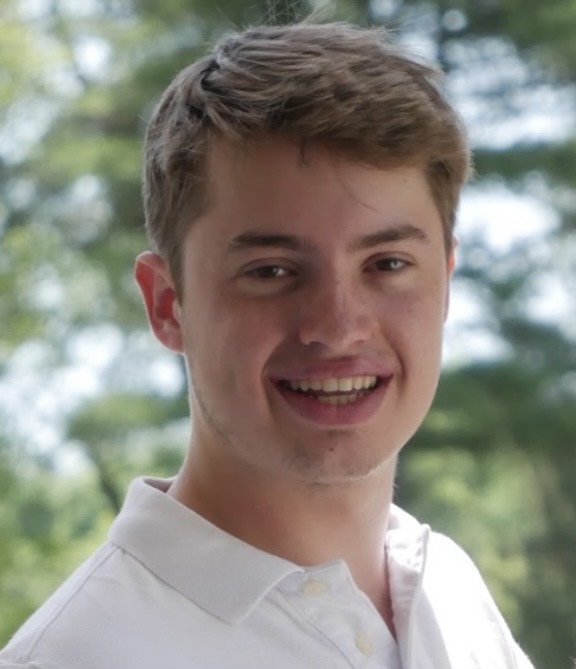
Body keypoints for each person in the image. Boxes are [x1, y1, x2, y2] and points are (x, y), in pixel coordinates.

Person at [0, 20, 535, 669]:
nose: (338, 326)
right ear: (167, 304)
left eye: (388, 264)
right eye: (272, 271)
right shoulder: (80, 656)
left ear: (445, 282)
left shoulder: (449, 593)